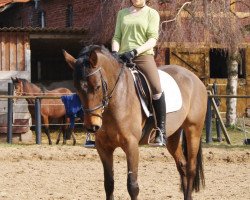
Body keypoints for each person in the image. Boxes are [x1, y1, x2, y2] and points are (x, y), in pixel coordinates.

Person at [112, 0, 166, 146]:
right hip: (122, 57)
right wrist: (115, 52)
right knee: (104, 83)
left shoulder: (151, 13)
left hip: (143, 57)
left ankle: (161, 130)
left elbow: (152, 39)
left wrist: (135, 51)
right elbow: (117, 37)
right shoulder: (122, 13)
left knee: (156, 88)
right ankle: (96, 130)